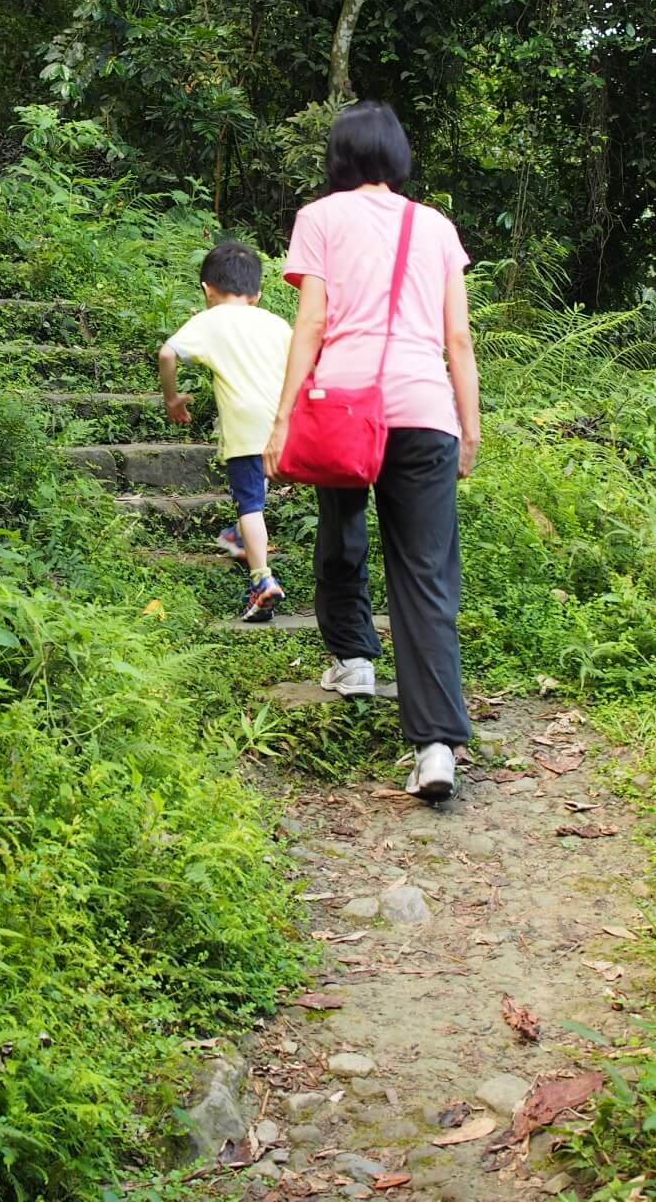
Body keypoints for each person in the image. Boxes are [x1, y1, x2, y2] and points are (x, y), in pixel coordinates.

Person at [262, 101, 481, 802]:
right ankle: (437, 745)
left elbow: (313, 322)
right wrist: (469, 426)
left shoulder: (320, 217)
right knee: (425, 577)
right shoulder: (437, 227)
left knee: (341, 526)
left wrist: (282, 416)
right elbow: (458, 341)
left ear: (340, 157)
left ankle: (353, 655)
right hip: (425, 410)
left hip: (345, 405)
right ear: (398, 156)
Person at [159, 238, 295, 623]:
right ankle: (238, 539)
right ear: (257, 293)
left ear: (207, 289)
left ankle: (262, 579)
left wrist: (173, 400)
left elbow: (167, 353)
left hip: (245, 424)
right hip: (283, 422)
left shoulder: (210, 319)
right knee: (258, 487)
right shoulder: (275, 323)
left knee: (249, 503)